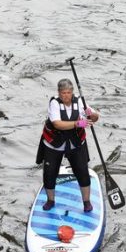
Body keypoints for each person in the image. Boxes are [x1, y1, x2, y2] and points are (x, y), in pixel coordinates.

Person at [36, 78, 100, 212]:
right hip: (54, 144)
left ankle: (87, 202)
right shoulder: (54, 103)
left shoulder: (80, 102)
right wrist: (77, 124)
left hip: (76, 143)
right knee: (50, 173)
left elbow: (94, 118)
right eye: (63, 93)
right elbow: (57, 124)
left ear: (72, 92)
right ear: (59, 93)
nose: (66, 95)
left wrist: (92, 115)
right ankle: (50, 200)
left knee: (82, 172)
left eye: (68, 92)